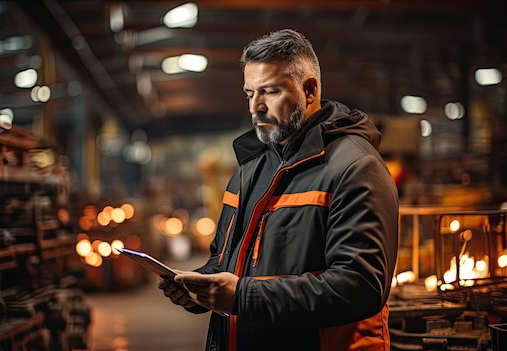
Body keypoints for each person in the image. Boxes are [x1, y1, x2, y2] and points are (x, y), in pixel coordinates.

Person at [158, 28, 399, 351]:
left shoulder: (354, 168)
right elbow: (226, 261)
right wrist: (198, 287)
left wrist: (242, 296)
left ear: (309, 90)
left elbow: (360, 286)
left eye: (269, 92)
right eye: (249, 93)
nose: (254, 107)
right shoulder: (249, 172)